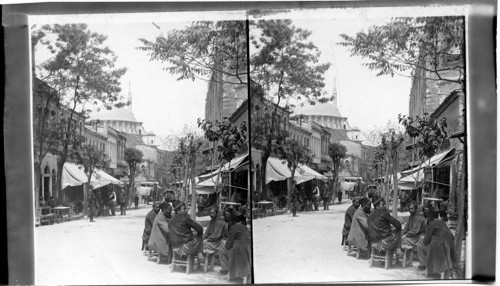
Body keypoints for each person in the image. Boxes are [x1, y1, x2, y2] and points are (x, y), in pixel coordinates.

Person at [417, 208, 459, 277]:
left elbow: (425, 241)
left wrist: (423, 238)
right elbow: (451, 237)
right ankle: (429, 268)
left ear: (430, 218)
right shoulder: (443, 223)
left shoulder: (432, 224)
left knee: (420, 246)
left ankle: (424, 266)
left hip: (438, 250)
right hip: (447, 250)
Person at [220, 211, 251, 281]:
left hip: (238, 250)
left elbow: (228, 245)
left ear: (233, 220)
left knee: (222, 251)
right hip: (247, 250)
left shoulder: (234, 228)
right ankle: (232, 274)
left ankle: (228, 272)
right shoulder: (245, 227)